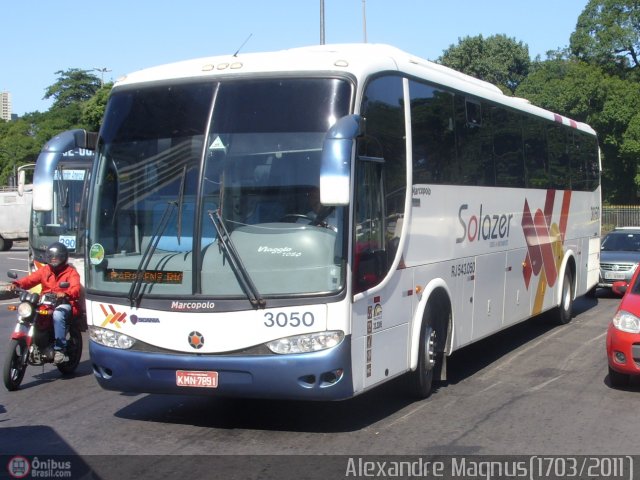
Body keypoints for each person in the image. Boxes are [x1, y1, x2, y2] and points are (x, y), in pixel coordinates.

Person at [7, 242, 81, 364]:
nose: (54, 259)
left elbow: (76, 288)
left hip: (64, 302)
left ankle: (59, 348)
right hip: (46, 301)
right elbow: (30, 280)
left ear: (63, 257)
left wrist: (65, 293)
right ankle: (35, 340)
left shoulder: (71, 272)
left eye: (57, 257)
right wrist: (16, 284)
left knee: (58, 315)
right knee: (29, 310)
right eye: (51, 256)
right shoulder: (45, 270)